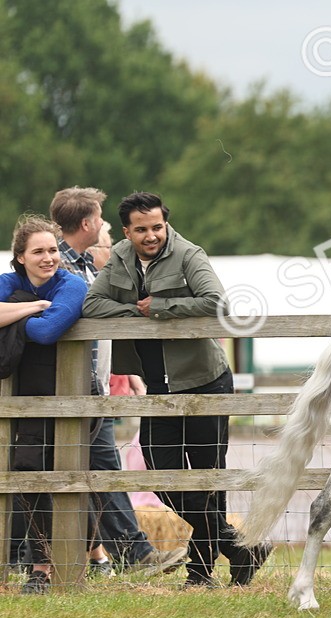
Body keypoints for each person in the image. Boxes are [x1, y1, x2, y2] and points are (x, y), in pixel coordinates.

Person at [83, 192, 269, 588]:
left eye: (157, 227)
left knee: (206, 478)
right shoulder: (118, 257)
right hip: (158, 388)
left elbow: (216, 300)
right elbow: (92, 304)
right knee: (162, 473)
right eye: (142, 229)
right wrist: (137, 311)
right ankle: (239, 547)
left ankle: (200, 573)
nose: (151, 236)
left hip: (205, 382)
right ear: (127, 231)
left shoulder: (189, 254)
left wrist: (163, 307)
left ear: (165, 224)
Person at [49, 186, 187, 577]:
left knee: (96, 474)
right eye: (103, 218)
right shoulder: (63, 268)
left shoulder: (90, 265)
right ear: (89, 223)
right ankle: (133, 555)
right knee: (96, 472)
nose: (106, 225)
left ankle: (111, 557)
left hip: (94, 385)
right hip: (71, 387)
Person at [3, 215, 88, 594]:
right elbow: (40, 321)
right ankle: (41, 564)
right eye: (38, 251)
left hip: (73, 396)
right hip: (22, 398)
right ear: (20, 256)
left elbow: (48, 330)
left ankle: (61, 565)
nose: (48, 257)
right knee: (26, 470)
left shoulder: (72, 284)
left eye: (53, 249)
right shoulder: (12, 283)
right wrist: (33, 305)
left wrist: (16, 314)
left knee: (76, 478)